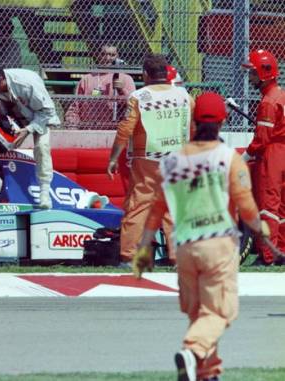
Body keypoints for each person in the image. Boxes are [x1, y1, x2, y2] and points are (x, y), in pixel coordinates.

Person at [133, 92, 269, 381]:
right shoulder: (228, 158)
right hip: (218, 245)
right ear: (223, 120)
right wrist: (265, 238)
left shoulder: (173, 161)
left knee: (200, 314)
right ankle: (192, 352)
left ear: (193, 121)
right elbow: (246, 207)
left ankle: (209, 373)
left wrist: (144, 248)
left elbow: (156, 210)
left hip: (184, 246)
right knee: (220, 312)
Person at [106, 53, 194, 265]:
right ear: (166, 73)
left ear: (145, 74)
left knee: (139, 205)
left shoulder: (139, 97)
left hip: (147, 158)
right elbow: (191, 127)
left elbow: (125, 128)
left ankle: (129, 255)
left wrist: (113, 158)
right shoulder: (184, 96)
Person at [0, 62, 59, 209]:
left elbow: (48, 111)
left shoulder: (27, 83)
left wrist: (28, 129)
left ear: (0, 80)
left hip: (38, 116)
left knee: (42, 147)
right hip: (10, 119)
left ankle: (44, 193)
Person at [241, 49, 285, 265]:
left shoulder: (268, 102)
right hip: (282, 152)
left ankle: (268, 256)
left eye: (252, 74)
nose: (250, 78)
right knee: (281, 207)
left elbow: (262, 139)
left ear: (264, 73)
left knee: (268, 205)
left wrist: (245, 156)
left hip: (273, 156)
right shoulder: (281, 94)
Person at [65, 44, 136, 129]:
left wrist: (122, 90)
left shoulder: (126, 79)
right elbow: (75, 108)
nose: (107, 58)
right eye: (103, 54)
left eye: (112, 55)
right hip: (89, 129)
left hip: (115, 130)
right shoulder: (86, 79)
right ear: (97, 55)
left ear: (117, 56)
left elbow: (134, 106)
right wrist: (73, 128)